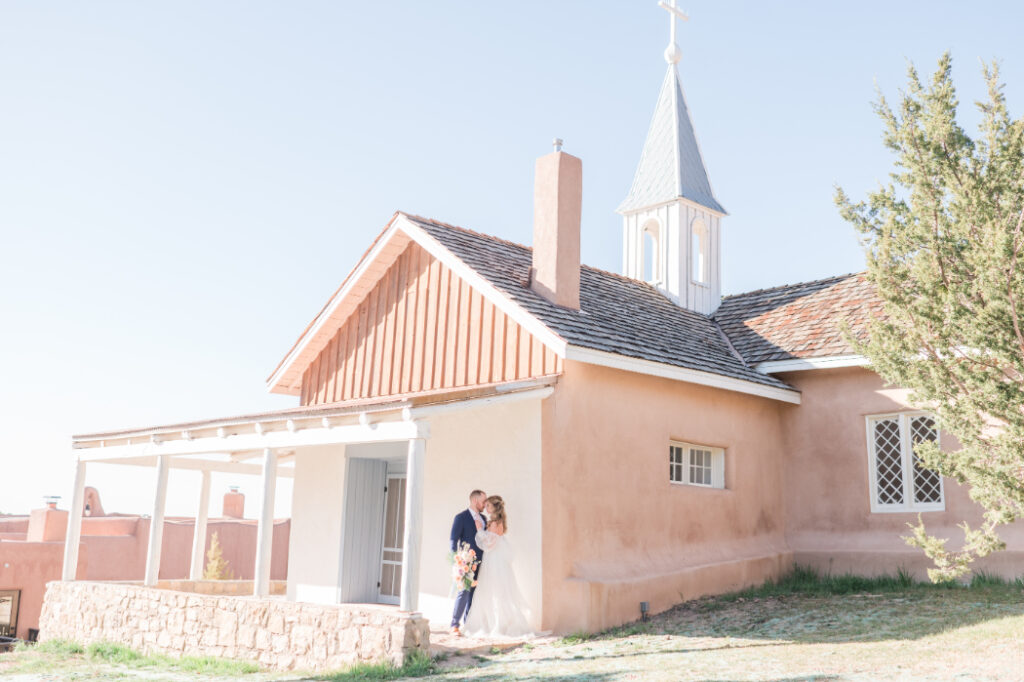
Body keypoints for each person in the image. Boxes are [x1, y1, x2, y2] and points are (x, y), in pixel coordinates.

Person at [462, 495, 536, 638]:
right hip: (491, 560)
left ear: (494, 507)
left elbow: (490, 544)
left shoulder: (497, 523)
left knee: (497, 590)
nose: (486, 508)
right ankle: (490, 622)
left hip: (495, 562)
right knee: (489, 590)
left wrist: (479, 531)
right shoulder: (493, 522)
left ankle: (498, 624)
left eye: (488, 505)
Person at [449, 489, 487, 636]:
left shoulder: (484, 519)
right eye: (483, 501)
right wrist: (456, 561)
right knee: (463, 592)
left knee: (474, 594)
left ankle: (468, 625)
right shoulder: (461, 517)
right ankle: (454, 624)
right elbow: (453, 540)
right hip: (466, 561)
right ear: (475, 501)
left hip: (483, 562)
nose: (485, 504)